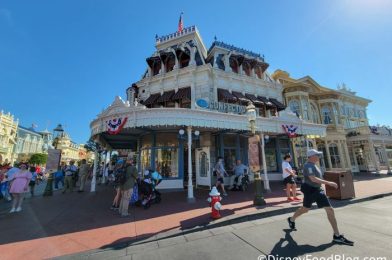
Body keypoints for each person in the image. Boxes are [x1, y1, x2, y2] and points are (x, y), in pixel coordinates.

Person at [287, 149, 354, 246]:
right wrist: (329, 183)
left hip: (318, 190)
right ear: (311, 156)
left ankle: (337, 236)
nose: (319, 156)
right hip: (310, 191)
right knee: (305, 209)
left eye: (318, 155)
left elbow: (316, 179)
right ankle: (292, 219)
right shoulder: (308, 166)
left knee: (330, 209)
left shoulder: (314, 165)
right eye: (317, 155)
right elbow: (312, 179)